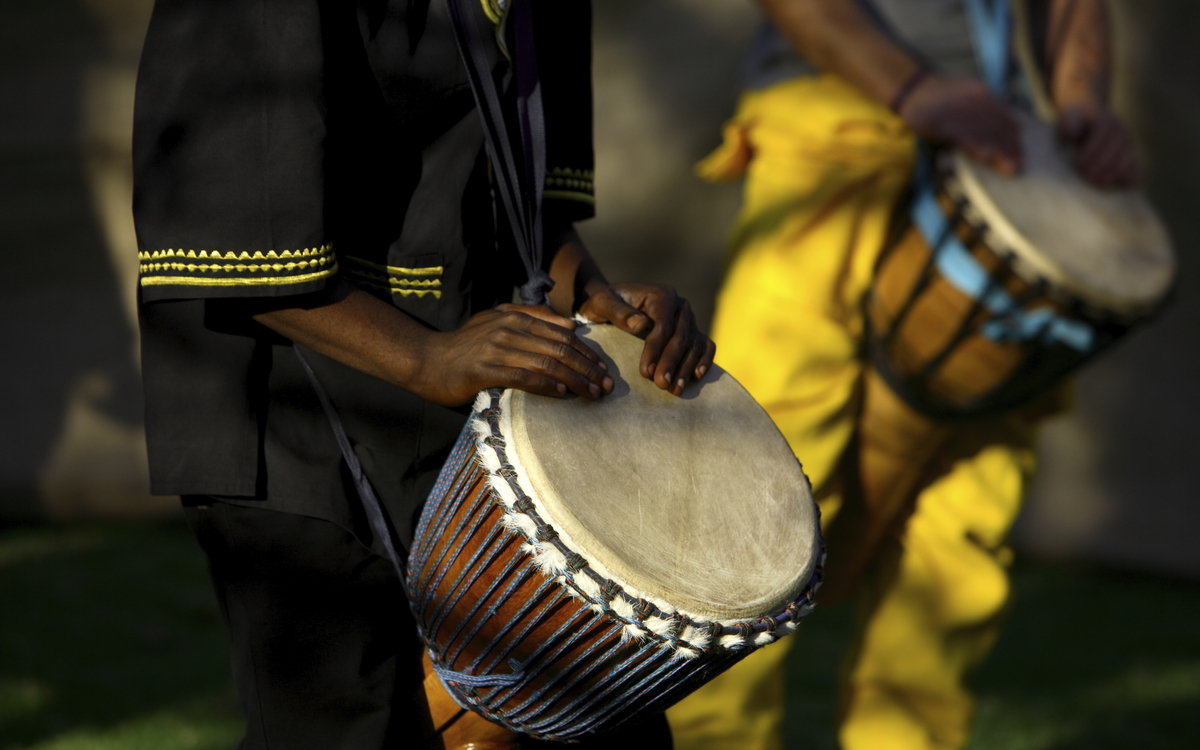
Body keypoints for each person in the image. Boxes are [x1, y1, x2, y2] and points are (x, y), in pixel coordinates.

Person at [132, 1, 714, 747]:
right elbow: (231, 236)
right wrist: (426, 358)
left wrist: (600, 303)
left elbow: (525, 203)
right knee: (353, 724)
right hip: (293, 411)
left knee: (601, 726)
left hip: (470, 400)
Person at [665, 1, 1139, 749]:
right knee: (757, 484)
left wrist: (1082, 102)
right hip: (832, 129)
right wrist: (913, 89)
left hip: (1001, 156)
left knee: (967, 507)